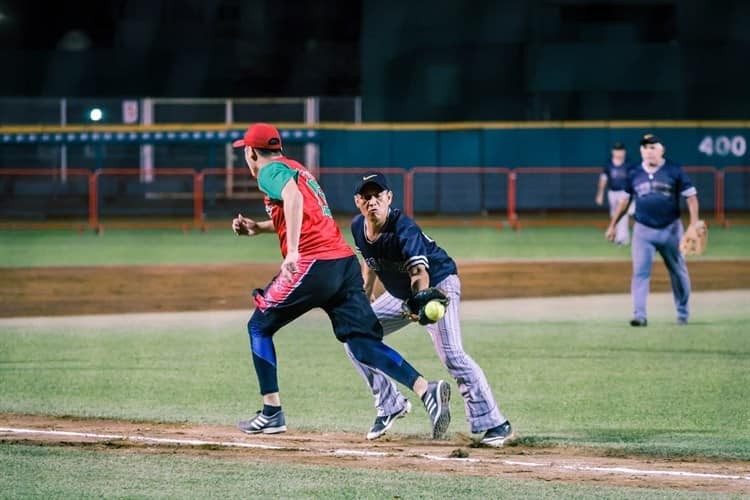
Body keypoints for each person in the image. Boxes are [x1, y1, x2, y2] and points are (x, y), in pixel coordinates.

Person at [230, 123, 451, 439]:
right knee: (360, 341)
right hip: (343, 263)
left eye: (246, 153)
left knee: (258, 326)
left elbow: (292, 199)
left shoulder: (269, 171)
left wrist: (292, 251)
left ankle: (272, 413)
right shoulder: (297, 169)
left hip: (312, 262)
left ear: (252, 152)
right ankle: (425, 389)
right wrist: (260, 228)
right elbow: (307, 212)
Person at [345, 171, 514, 447]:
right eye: (366, 197)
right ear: (357, 202)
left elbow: (419, 272)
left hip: (438, 286)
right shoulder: (357, 227)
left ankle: (496, 423)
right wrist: (365, 297)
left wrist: (420, 300)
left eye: (377, 196)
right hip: (400, 294)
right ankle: (390, 405)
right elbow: (370, 260)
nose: (372, 202)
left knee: (452, 356)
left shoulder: (404, 229)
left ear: (389, 197)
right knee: (353, 337)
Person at [605, 134, 700, 327]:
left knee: (678, 272)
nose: (648, 151)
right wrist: (613, 224)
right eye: (645, 148)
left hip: (671, 230)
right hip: (643, 231)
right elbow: (624, 201)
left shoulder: (674, 170)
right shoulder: (633, 173)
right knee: (640, 273)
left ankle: (683, 313)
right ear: (641, 151)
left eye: (653, 147)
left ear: (662, 150)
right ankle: (639, 315)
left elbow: (691, 198)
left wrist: (694, 224)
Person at [596, 142, 634, 246]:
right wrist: (600, 194)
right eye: (617, 150)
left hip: (624, 193)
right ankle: (616, 235)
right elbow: (603, 179)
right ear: (613, 152)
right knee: (614, 214)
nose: (619, 152)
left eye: (621, 150)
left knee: (623, 214)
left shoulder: (628, 164)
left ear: (624, 152)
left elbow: (633, 179)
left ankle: (622, 238)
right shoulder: (609, 164)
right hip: (612, 192)